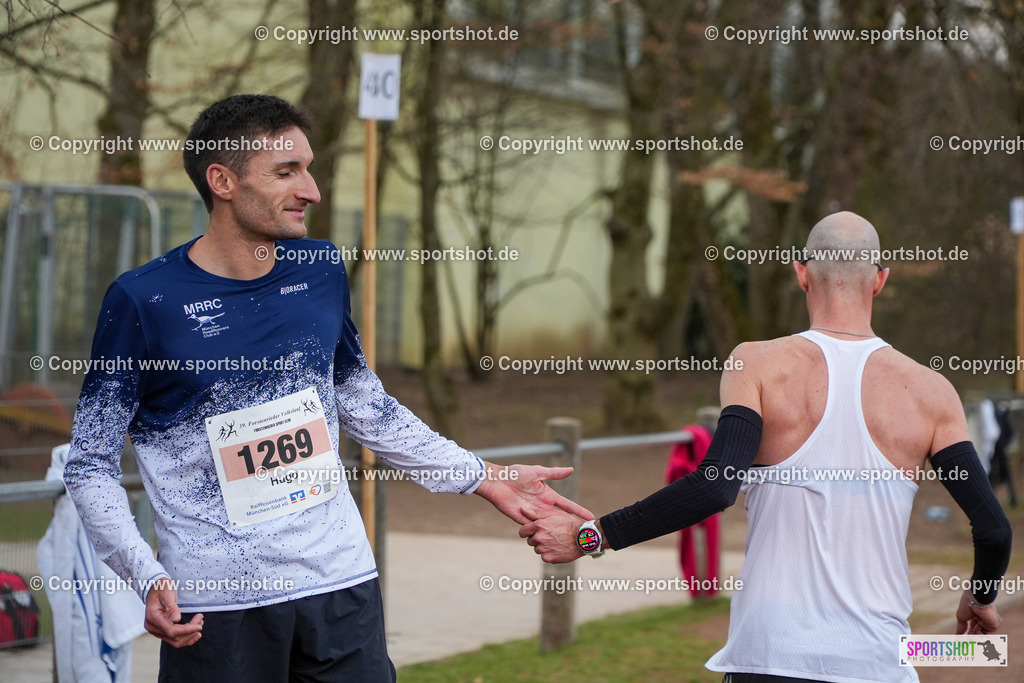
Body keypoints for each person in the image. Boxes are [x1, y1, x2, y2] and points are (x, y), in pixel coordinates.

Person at [63, 94, 591, 682]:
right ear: (223, 181)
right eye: (287, 172)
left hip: (340, 586)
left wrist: (481, 476)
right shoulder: (144, 301)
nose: (311, 190)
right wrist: (145, 573)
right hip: (219, 603)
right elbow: (90, 465)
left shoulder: (320, 269)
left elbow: (364, 403)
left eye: (308, 169)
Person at [521, 211, 1013, 682]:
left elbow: (714, 489)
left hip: (769, 658)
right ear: (879, 280)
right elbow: (992, 528)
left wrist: (591, 536)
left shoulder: (755, 364)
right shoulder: (931, 391)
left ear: (802, 274)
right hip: (877, 663)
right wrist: (981, 595)